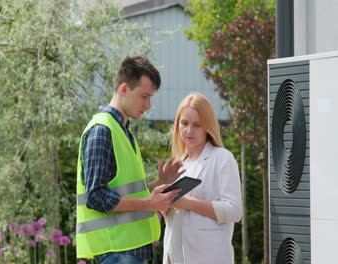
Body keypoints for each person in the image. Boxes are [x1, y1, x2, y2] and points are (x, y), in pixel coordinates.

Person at [76, 55, 182, 264]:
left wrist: (158, 184)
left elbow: (120, 191)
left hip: (126, 251)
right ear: (124, 89)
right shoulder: (102, 131)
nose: (148, 105)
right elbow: (96, 196)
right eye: (144, 96)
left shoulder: (122, 132)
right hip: (116, 251)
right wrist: (149, 203)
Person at [162, 93, 242, 264]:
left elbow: (234, 211)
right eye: (184, 124)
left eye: (197, 125)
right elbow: (171, 216)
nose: (189, 131)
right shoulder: (178, 163)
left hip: (208, 257)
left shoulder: (222, 158)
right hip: (175, 257)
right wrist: (163, 202)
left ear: (208, 126)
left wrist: (188, 202)